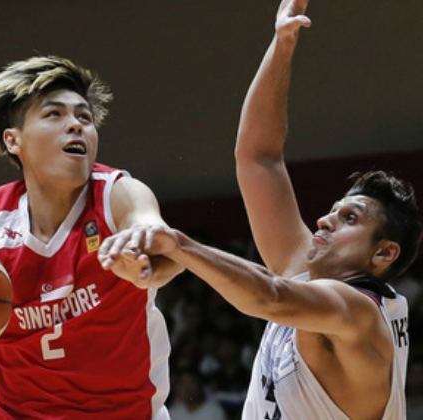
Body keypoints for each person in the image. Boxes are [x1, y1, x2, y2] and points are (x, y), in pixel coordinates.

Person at [98, 1, 421, 419]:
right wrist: (281, 44)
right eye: (335, 210)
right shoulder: (305, 272)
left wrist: (178, 244)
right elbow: (258, 157)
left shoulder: (359, 313)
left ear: (383, 253)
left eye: (350, 219)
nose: (323, 219)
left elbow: (269, 297)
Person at [0, 56, 181, 419]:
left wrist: (146, 264)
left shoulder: (118, 195)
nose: (75, 125)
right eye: (54, 115)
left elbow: (163, 246)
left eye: (84, 117)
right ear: (13, 140)